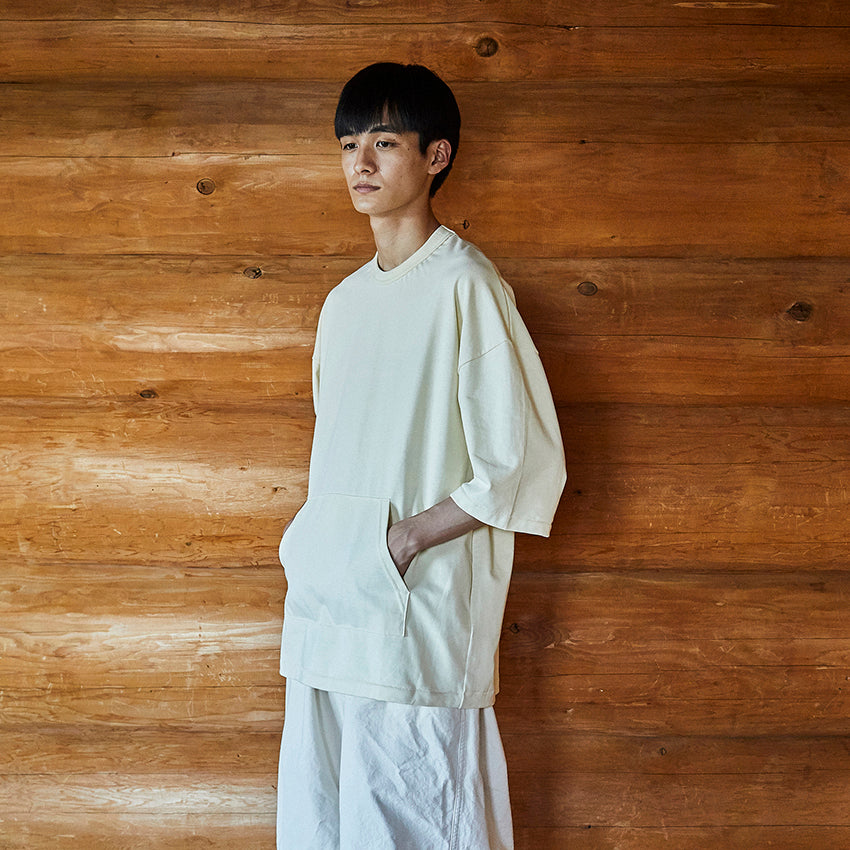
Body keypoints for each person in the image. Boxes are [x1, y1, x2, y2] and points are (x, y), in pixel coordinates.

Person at [276, 62, 566, 850]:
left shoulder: (466, 284)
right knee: (323, 818)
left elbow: (519, 460)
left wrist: (402, 541)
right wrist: (329, 550)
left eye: (383, 142)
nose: (360, 164)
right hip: (328, 603)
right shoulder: (343, 303)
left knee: (418, 817)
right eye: (348, 146)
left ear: (436, 156)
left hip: (416, 607)